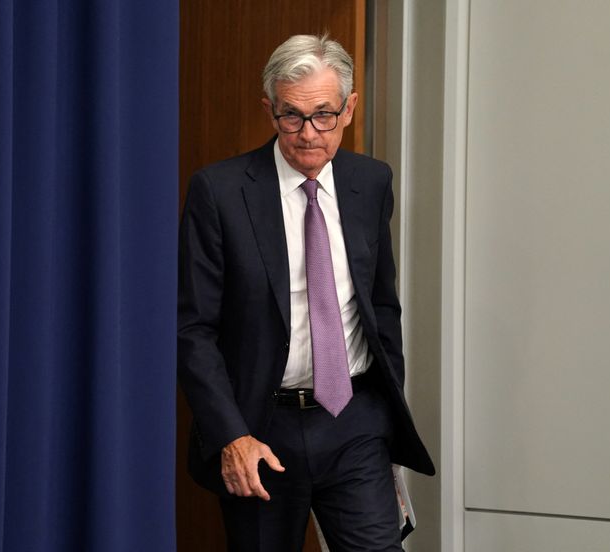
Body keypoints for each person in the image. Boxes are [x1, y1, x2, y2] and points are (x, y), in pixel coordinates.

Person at [178, 34, 434, 551]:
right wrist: (231, 435)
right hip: (259, 428)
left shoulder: (371, 181)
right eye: (291, 116)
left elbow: (381, 304)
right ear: (269, 110)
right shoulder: (220, 192)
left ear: (349, 109)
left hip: (355, 420)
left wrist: (385, 411)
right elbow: (192, 330)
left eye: (324, 114)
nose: (308, 133)